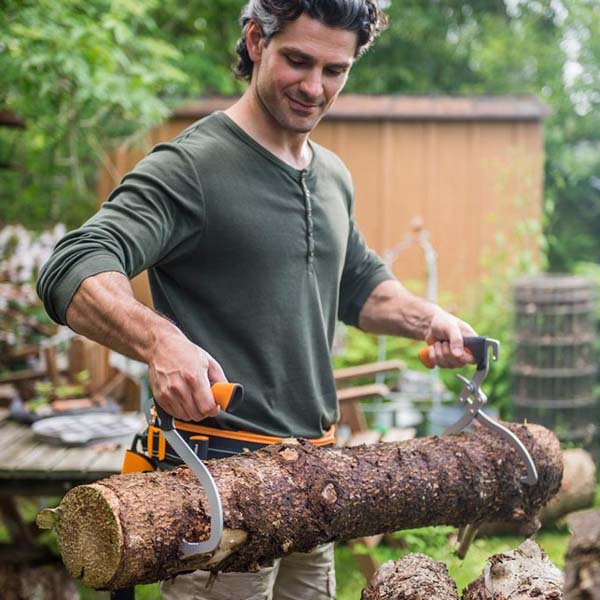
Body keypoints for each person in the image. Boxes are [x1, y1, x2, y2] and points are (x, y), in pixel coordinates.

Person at [37, 1, 476, 598]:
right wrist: (160, 340)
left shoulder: (332, 176)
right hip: (217, 491)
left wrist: (432, 319)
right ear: (254, 41)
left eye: (335, 69)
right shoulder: (192, 166)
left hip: (314, 485)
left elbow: (359, 285)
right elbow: (74, 264)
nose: (314, 86)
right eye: (298, 60)